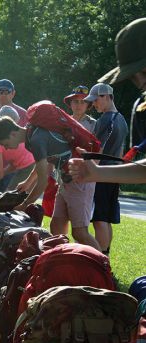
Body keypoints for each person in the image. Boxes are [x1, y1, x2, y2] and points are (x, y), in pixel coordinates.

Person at [69, 18, 146, 186]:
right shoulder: (141, 109)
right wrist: (96, 173)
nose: (140, 82)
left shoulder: (109, 120)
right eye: (133, 76)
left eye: (142, 71)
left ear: (107, 97)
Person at [50, 86, 101, 251]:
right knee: (56, 226)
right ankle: (63, 259)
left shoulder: (94, 125)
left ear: (88, 105)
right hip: (63, 179)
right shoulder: (62, 123)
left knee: (80, 232)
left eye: (82, 102)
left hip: (82, 181)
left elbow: (98, 154)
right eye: (75, 101)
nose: (78, 105)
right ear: (69, 103)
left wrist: (91, 171)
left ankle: (103, 268)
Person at [83, 83, 128, 256]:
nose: (94, 104)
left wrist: (89, 170)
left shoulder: (105, 120)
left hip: (101, 173)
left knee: (99, 218)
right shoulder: (121, 119)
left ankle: (100, 258)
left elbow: (98, 151)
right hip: (115, 173)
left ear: (107, 96)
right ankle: (106, 256)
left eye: (96, 100)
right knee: (107, 218)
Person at [0, 116, 71, 210]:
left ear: (13, 134)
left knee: (78, 222)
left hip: (77, 175)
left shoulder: (35, 140)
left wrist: (24, 205)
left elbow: (43, 181)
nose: (6, 148)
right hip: (67, 177)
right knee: (57, 223)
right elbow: (42, 164)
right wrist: (27, 182)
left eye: (6, 144)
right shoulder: (31, 132)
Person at [0, 105, 35, 191]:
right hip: (25, 167)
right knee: (9, 196)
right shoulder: (17, 137)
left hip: (29, 167)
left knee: (10, 198)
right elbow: (13, 165)